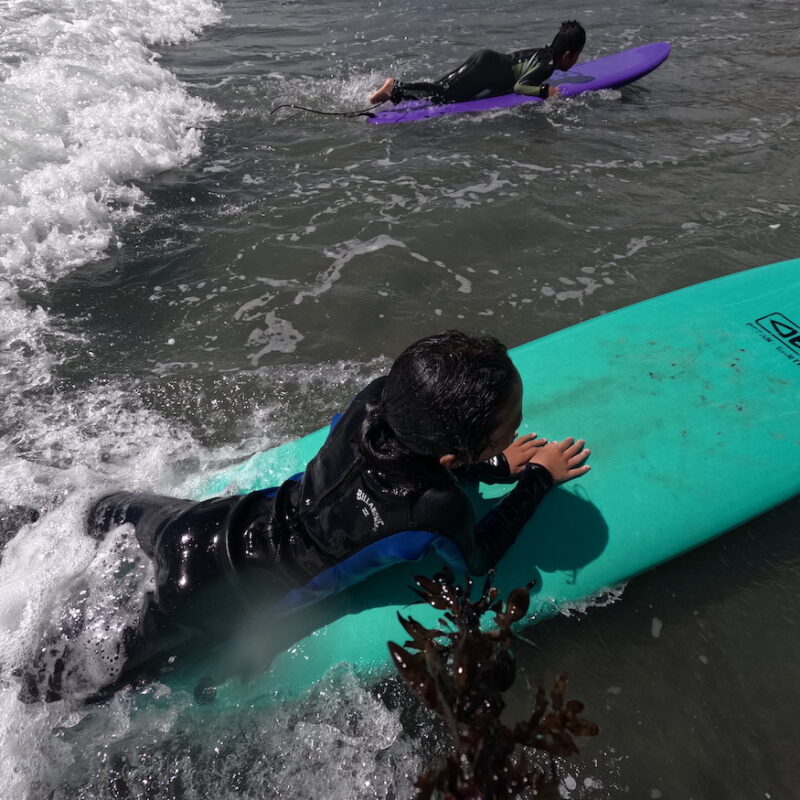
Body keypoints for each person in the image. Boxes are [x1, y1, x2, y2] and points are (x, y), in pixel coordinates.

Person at [17, 330, 590, 702]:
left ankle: (23, 523)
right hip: (210, 600)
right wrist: (535, 479)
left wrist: (490, 462)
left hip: (203, 525)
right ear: (450, 459)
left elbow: (399, 463)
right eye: (510, 425)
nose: (517, 429)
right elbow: (478, 561)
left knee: (96, 512)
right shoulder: (437, 509)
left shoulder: (374, 400)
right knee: (73, 688)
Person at [369, 20, 585, 106]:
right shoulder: (547, 66)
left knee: (442, 91)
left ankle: (396, 93)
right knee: (445, 94)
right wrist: (546, 91)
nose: (576, 61)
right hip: (486, 68)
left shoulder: (546, 53)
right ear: (568, 55)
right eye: (577, 56)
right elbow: (521, 86)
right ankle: (395, 87)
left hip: (487, 63)